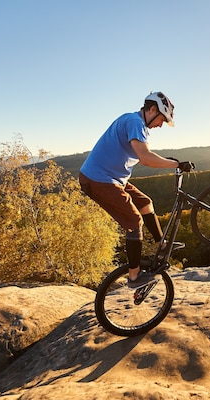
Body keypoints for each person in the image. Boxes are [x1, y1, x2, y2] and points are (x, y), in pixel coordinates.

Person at [79, 92, 194, 289]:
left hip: (114, 179)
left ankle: (162, 244)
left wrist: (173, 162)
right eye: (162, 119)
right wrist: (176, 163)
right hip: (98, 179)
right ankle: (134, 277)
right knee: (134, 221)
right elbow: (146, 158)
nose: (161, 125)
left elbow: (147, 154)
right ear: (152, 110)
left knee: (145, 203)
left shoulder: (137, 124)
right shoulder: (135, 122)